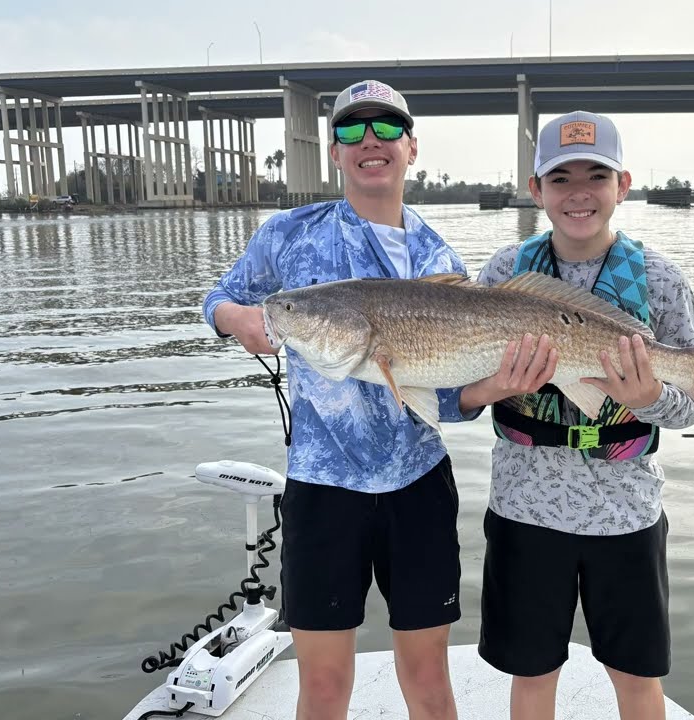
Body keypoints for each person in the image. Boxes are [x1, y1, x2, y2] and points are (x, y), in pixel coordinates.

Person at [202, 79, 518, 720]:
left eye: (385, 128)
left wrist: (495, 388)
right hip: (322, 490)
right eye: (350, 130)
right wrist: (239, 321)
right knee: (322, 686)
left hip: (418, 488)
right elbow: (220, 298)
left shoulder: (440, 259)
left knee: (429, 678)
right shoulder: (290, 234)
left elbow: (449, 401)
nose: (368, 140)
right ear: (335, 152)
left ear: (411, 148)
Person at [458, 111, 694, 720]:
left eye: (595, 175)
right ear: (536, 188)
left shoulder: (661, 280)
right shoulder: (501, 274)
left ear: (621, 185)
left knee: (636, 674)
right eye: (560, 177)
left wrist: (648, 397)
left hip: (626, 511)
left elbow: (692, 406)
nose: (578, 192)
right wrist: (496, 384)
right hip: (524, 506)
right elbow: (458, 389)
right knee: (532, 672)